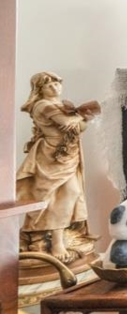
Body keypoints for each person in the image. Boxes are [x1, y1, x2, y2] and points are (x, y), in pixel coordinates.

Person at [15, 72, 100, 262]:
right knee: (56, 195)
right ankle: (55, 242)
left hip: (67, 154)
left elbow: (77, 127)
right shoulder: (43, 105)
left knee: (66, 195)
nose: (55, 88)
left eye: (57, 83)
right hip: (52, 156)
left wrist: (81, 117)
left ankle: (53, 238)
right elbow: (67, 123)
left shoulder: (60, 105)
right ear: (39, 90)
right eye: (49, 85)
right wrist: (83, 115)